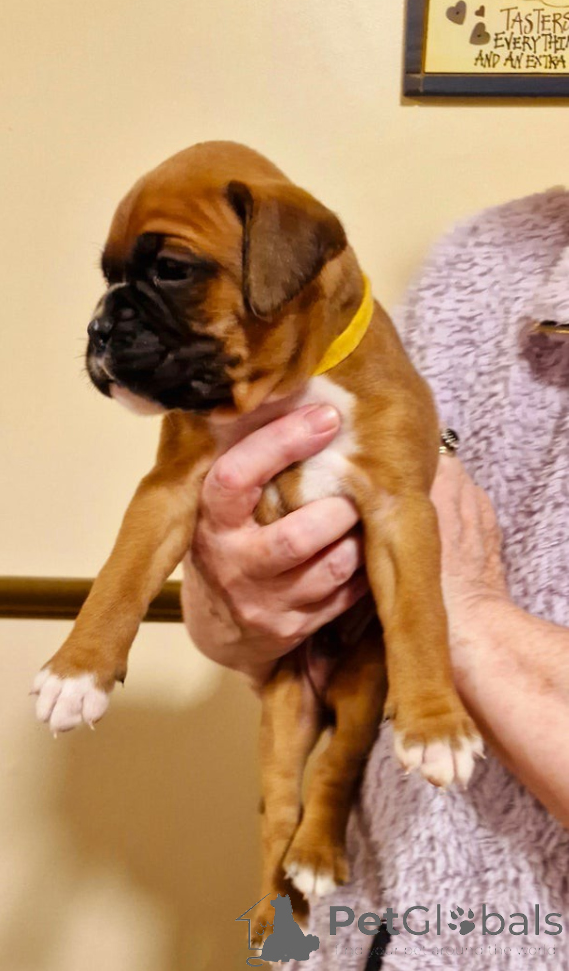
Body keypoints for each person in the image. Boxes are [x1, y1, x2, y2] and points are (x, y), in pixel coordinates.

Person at [181, 188, 569, 969]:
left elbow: (432, 582)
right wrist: (243, 605)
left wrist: (462, 615)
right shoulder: (480, 261)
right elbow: (300, 632)